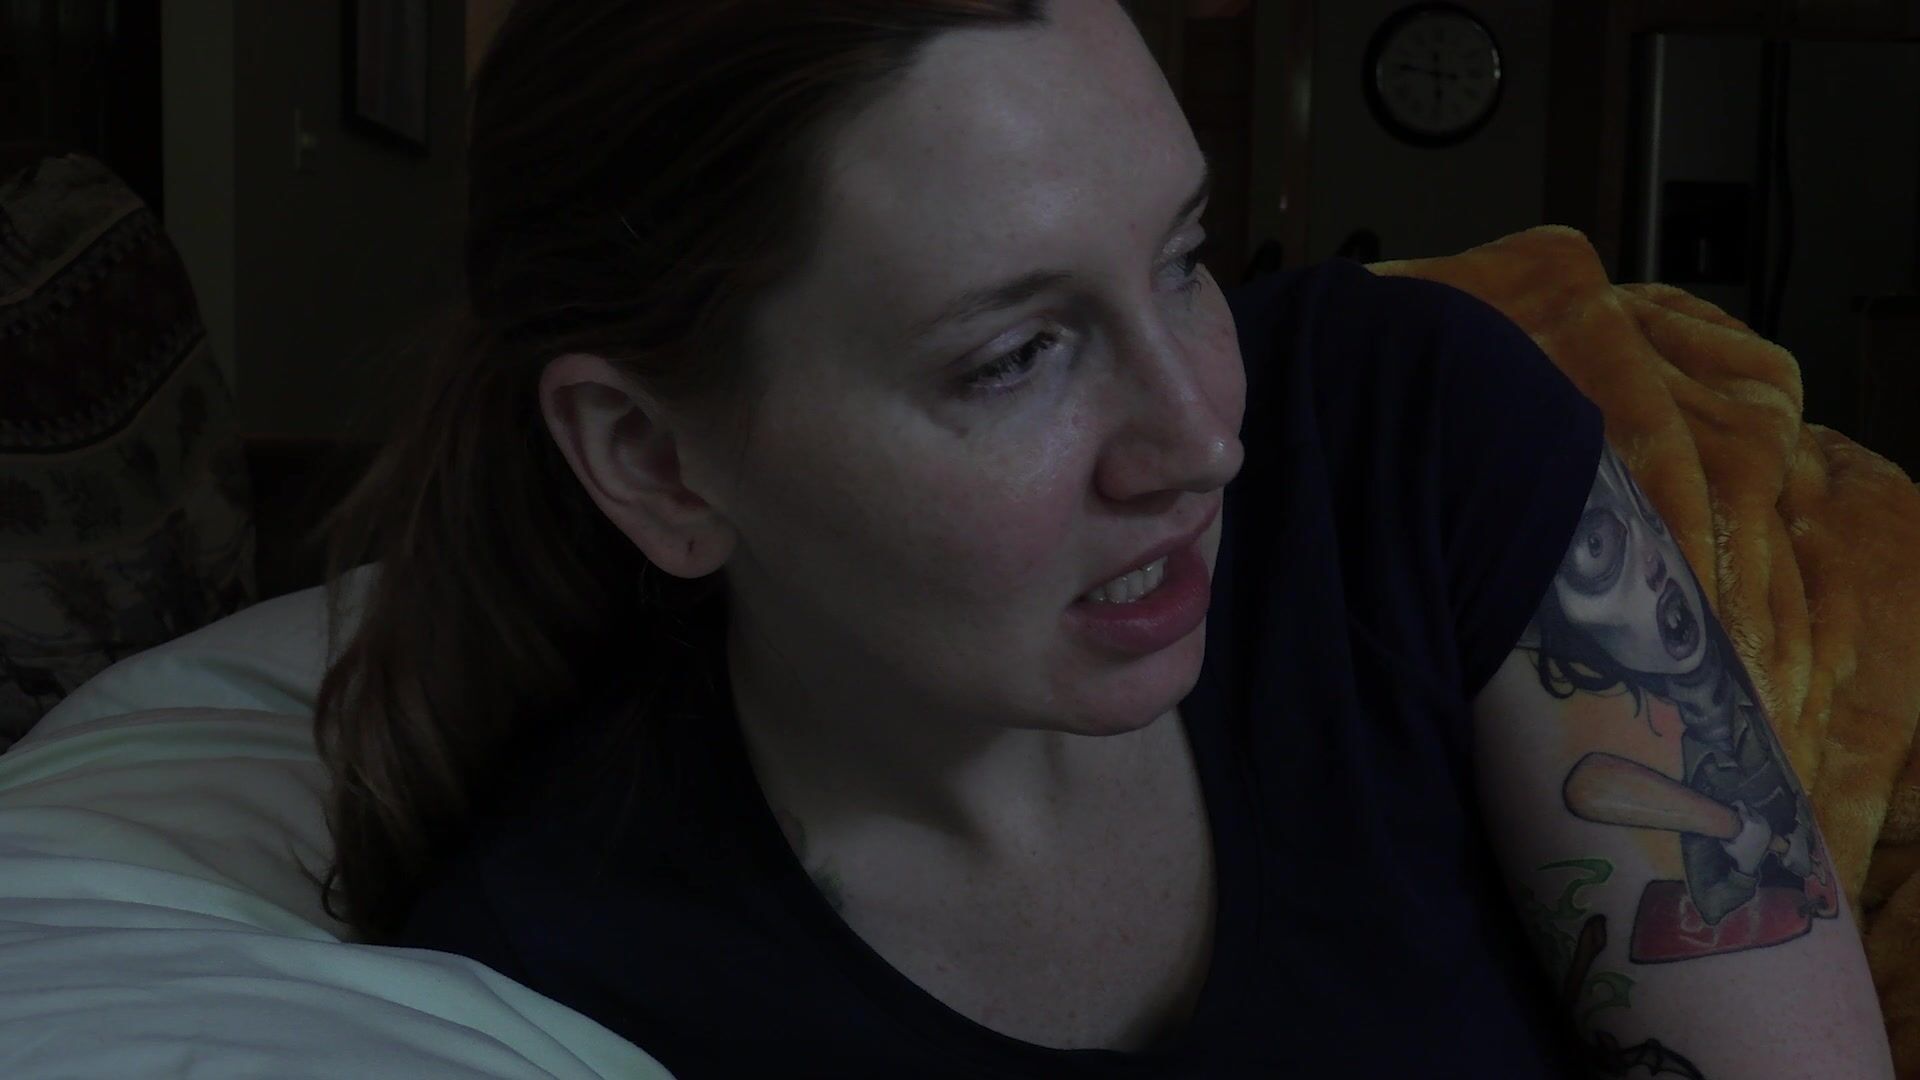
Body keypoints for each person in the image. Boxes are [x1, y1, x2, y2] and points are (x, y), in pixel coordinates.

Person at [305, 1, 1895, 1076]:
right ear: (656, 463)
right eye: (1015, 357)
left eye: (1185, 259)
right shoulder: (563, 979)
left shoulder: (1404, 437)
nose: (1204, 442)